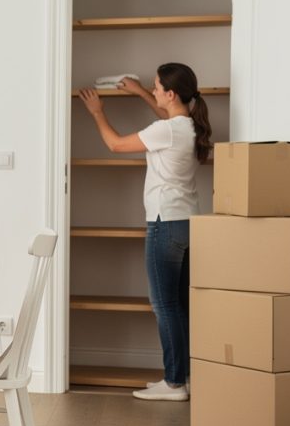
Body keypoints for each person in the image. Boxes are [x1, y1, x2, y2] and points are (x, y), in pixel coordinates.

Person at [78, 62, 211, 402]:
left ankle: (173, 383)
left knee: (164, 306)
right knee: (178, 306)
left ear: (170, 93)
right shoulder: (188, 126)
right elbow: (166, 120)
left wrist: (97, 111)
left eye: (155, 87)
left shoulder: (166, 129)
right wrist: (137, 91)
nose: (153, 91)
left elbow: (115, 145)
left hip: (164, 224)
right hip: (188, 224)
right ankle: (182, 377)